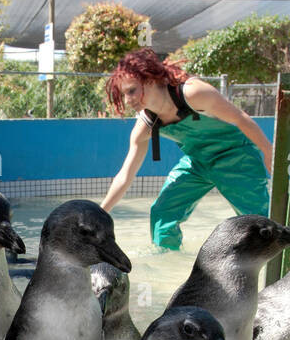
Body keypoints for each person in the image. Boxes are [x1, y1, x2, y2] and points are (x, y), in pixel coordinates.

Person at [102, 49, 272, 251]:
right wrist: (100, 212)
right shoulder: (146, 123)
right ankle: (167, 260)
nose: (128, 100)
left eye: (131, 90)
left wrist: (269, 154)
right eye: (123, 94)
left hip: (237, 160)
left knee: (260, 223)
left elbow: (240, 118)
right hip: (197, 163)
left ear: (149, 80)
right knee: (163, 212)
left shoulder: (193, 93)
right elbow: (126, 175)